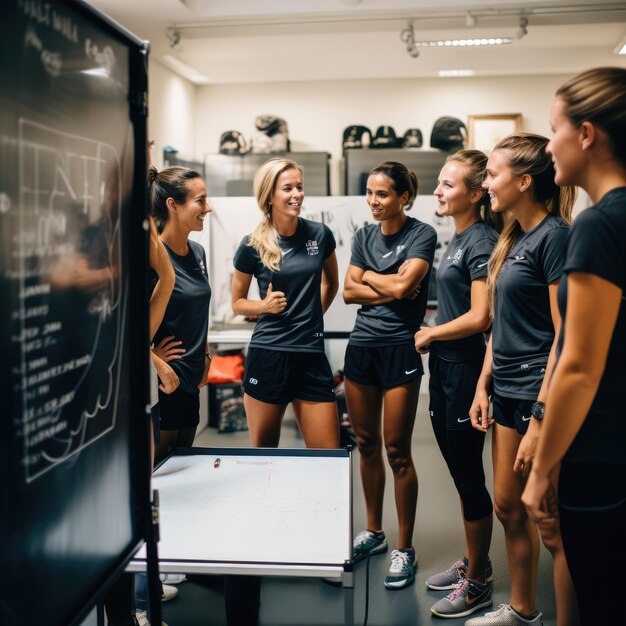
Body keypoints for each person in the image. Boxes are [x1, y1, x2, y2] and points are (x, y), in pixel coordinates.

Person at [522, 67, 626, 626]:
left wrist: (542, 469)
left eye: (554, 128)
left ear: (586, 134)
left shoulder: (599, 225)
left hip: (603, 455)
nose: (549, 146)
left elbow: (580, 365)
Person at [465, 134, 576, 626]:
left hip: (538, 396)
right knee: (508, 505)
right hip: (505, 390)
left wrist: (539, 417)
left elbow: (564, 334)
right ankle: (524, 610)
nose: (485, 183)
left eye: (491, 174)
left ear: (524, 181)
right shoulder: (512, 238)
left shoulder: (555, 236)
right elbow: (500, 325)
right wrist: (483, 384)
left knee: (551, 524)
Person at [227, 157, 340, 626]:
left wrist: (310, 315)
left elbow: (331, 280)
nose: (296, 194)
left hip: (311, 357)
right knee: (263, 458)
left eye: (299, 186)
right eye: (287, 188)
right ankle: (264, 540)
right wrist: (264, 307)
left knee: (327, 459)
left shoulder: (320, 235)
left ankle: (328, 550)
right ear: (270, 194)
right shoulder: (252, 244)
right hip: (268, 357)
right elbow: (235, 303)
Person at [412, 150, 501, 618]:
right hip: (446, 367)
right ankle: (476, 561)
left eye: (448, 185)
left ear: (475, 192)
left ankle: (480, 582)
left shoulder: (482, 240)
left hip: (466, 369)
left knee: (467, 474)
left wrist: (431, 332)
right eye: (440, 183)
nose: (438, 191)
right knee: (458, 470)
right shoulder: (461, 236)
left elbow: (481, 316)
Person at [343, 161, 436, 590]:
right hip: (361, 346)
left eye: (382, 194)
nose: (374, 201)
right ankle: (375, 532)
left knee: (396, 449)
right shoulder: (363, 235)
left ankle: (404, 547)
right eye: (369, 193)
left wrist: (375, 282)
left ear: (403, 197)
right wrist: (393, 281)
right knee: (366, 445)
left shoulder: (422, 234)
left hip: (400, 346)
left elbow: (403, 290)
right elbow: (348, 291)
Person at [148, 165, 212, 463]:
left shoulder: (197, 253)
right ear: (172, 205)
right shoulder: (153, 259)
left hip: (192, 378)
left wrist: (207, 354)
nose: (207, 208)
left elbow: (199, 309)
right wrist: (156, 360)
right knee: (163, 472)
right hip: (167, 381)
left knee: (186, 463)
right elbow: (124, 327)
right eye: (200, 200)